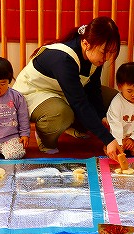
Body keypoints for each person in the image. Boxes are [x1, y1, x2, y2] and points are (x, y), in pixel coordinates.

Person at [12, 16, 123, 161]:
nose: (107, 57)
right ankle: (45, 136)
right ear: (86, 43)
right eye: (104, 52)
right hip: (34, 93)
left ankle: (72, 126)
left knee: (113, 99)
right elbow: (80, 103)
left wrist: (102, 115)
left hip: (62, 93)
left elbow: (93, 89)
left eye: (111, 52)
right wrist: (108, 139)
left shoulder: (94, 57)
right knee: (61, 114)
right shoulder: (64, 59)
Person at [106, 62, 134, 156]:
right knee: (114, 152)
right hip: (117, 136)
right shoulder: (117, 102)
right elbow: (115, 124)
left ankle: (129, 144)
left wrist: (133, 138)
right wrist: (119, 143)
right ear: (120, 87)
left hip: (133, 135)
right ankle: (107, 145)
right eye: (129, 91)